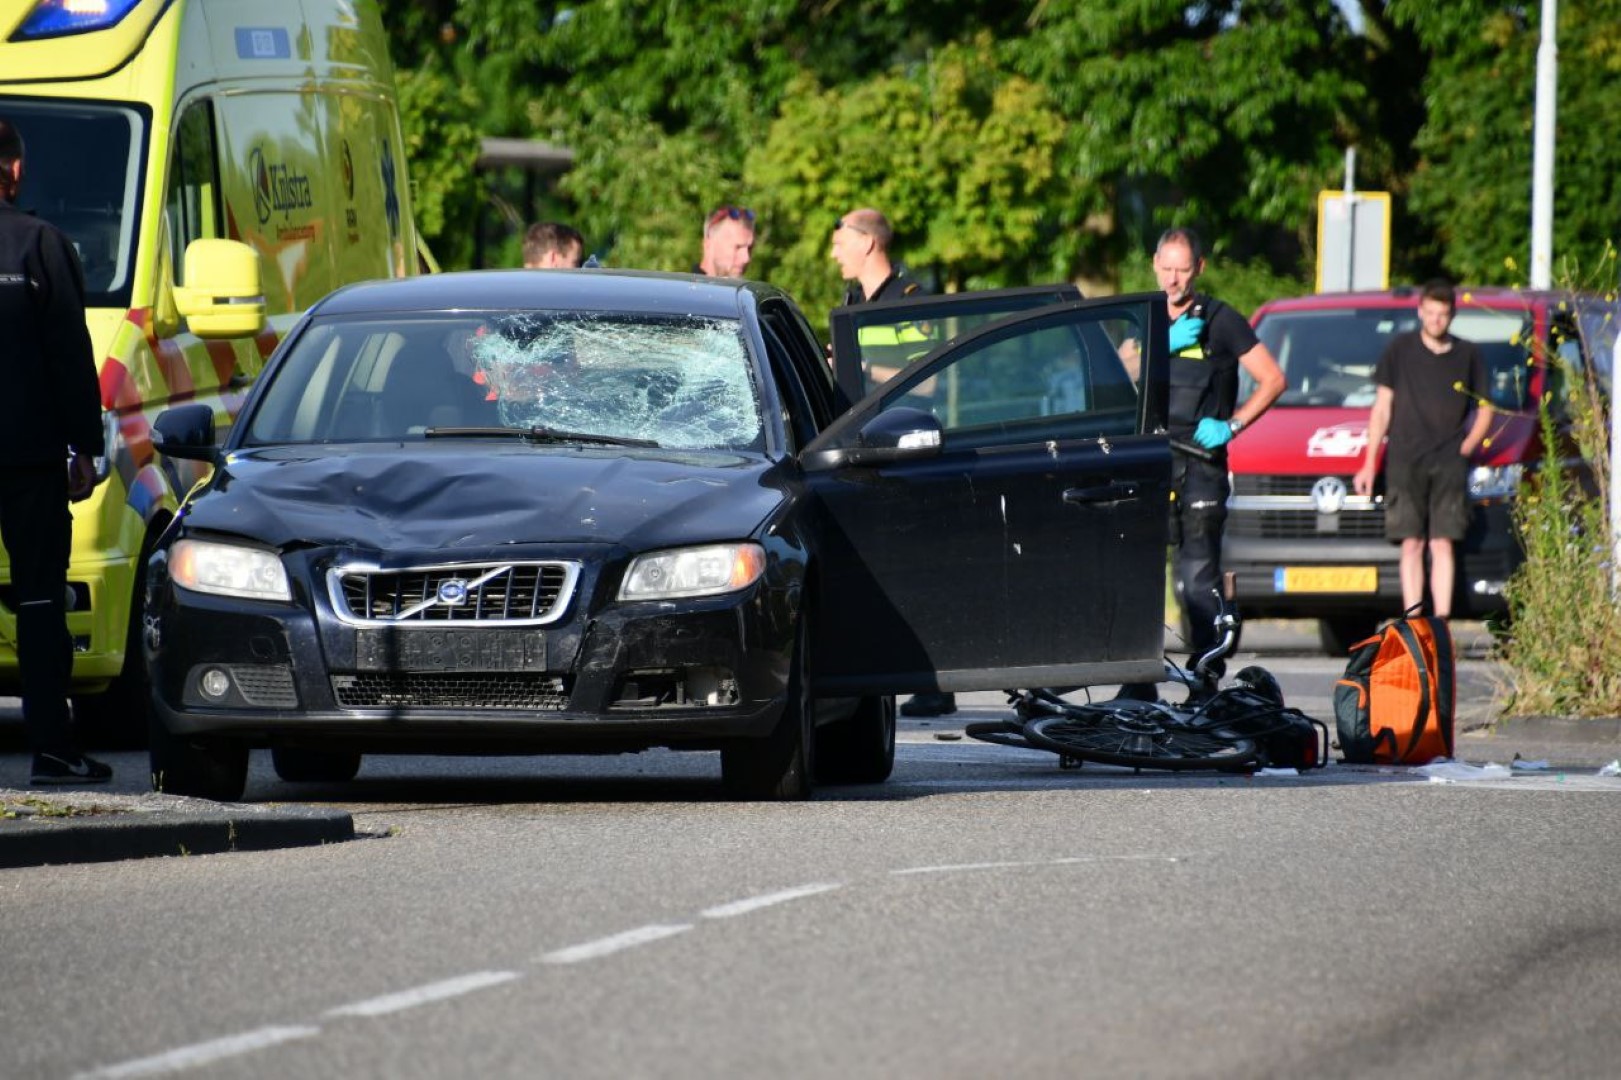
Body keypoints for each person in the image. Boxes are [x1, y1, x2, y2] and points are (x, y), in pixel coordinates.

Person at [0, 117, 112, 784]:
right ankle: (52, 749)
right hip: (29, 458)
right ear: (14, 170)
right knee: (41, 602)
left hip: (31, 456)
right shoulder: (40, 245)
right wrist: (86, 447)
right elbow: (70, 358)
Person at [1152, 227, 1286, 670]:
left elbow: (1272, 379)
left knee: (1195, 578)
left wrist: (1232, 425)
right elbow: (1118, 369)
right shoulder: (1145, 318)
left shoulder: (1221, 320)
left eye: (1183, 270)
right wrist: (1160, 345)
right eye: (1167, 268)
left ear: (1199, 269)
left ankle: (1206, 671)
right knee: (1147, 578)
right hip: (1151, 462)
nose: (1173, 280)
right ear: (1155, 265)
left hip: (1201, 465)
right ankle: (1141, 678)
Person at [1353, 280, 1492, 619]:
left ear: (1452, 315)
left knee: (1443, 543)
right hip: (1404, 459)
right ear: (1420, 312)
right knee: (1411, 543)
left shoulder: (1468, 354)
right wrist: (1370, 462)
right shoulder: (1400, 351)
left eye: (1442, 314)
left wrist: (1467, 446)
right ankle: (1414, 619)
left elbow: (1486, 408)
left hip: (1449, 461)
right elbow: (1382, 408)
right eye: (1430, 313)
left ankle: (1441, 620)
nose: (1436, 320)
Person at [695, 205, 755, 278]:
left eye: (750, 248)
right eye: (738, 247)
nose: (746, 258)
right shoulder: (681, 288)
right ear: (708, 245)